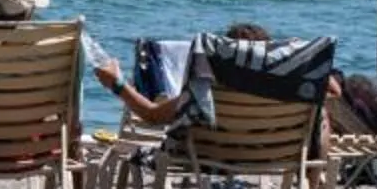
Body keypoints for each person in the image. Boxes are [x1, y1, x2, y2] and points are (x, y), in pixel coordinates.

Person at [90, 22, 271, 128]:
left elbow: (152, 115)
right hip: (267, 157)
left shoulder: (206, 94)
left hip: (208, 156)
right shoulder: (280, 98)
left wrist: (117, 83)